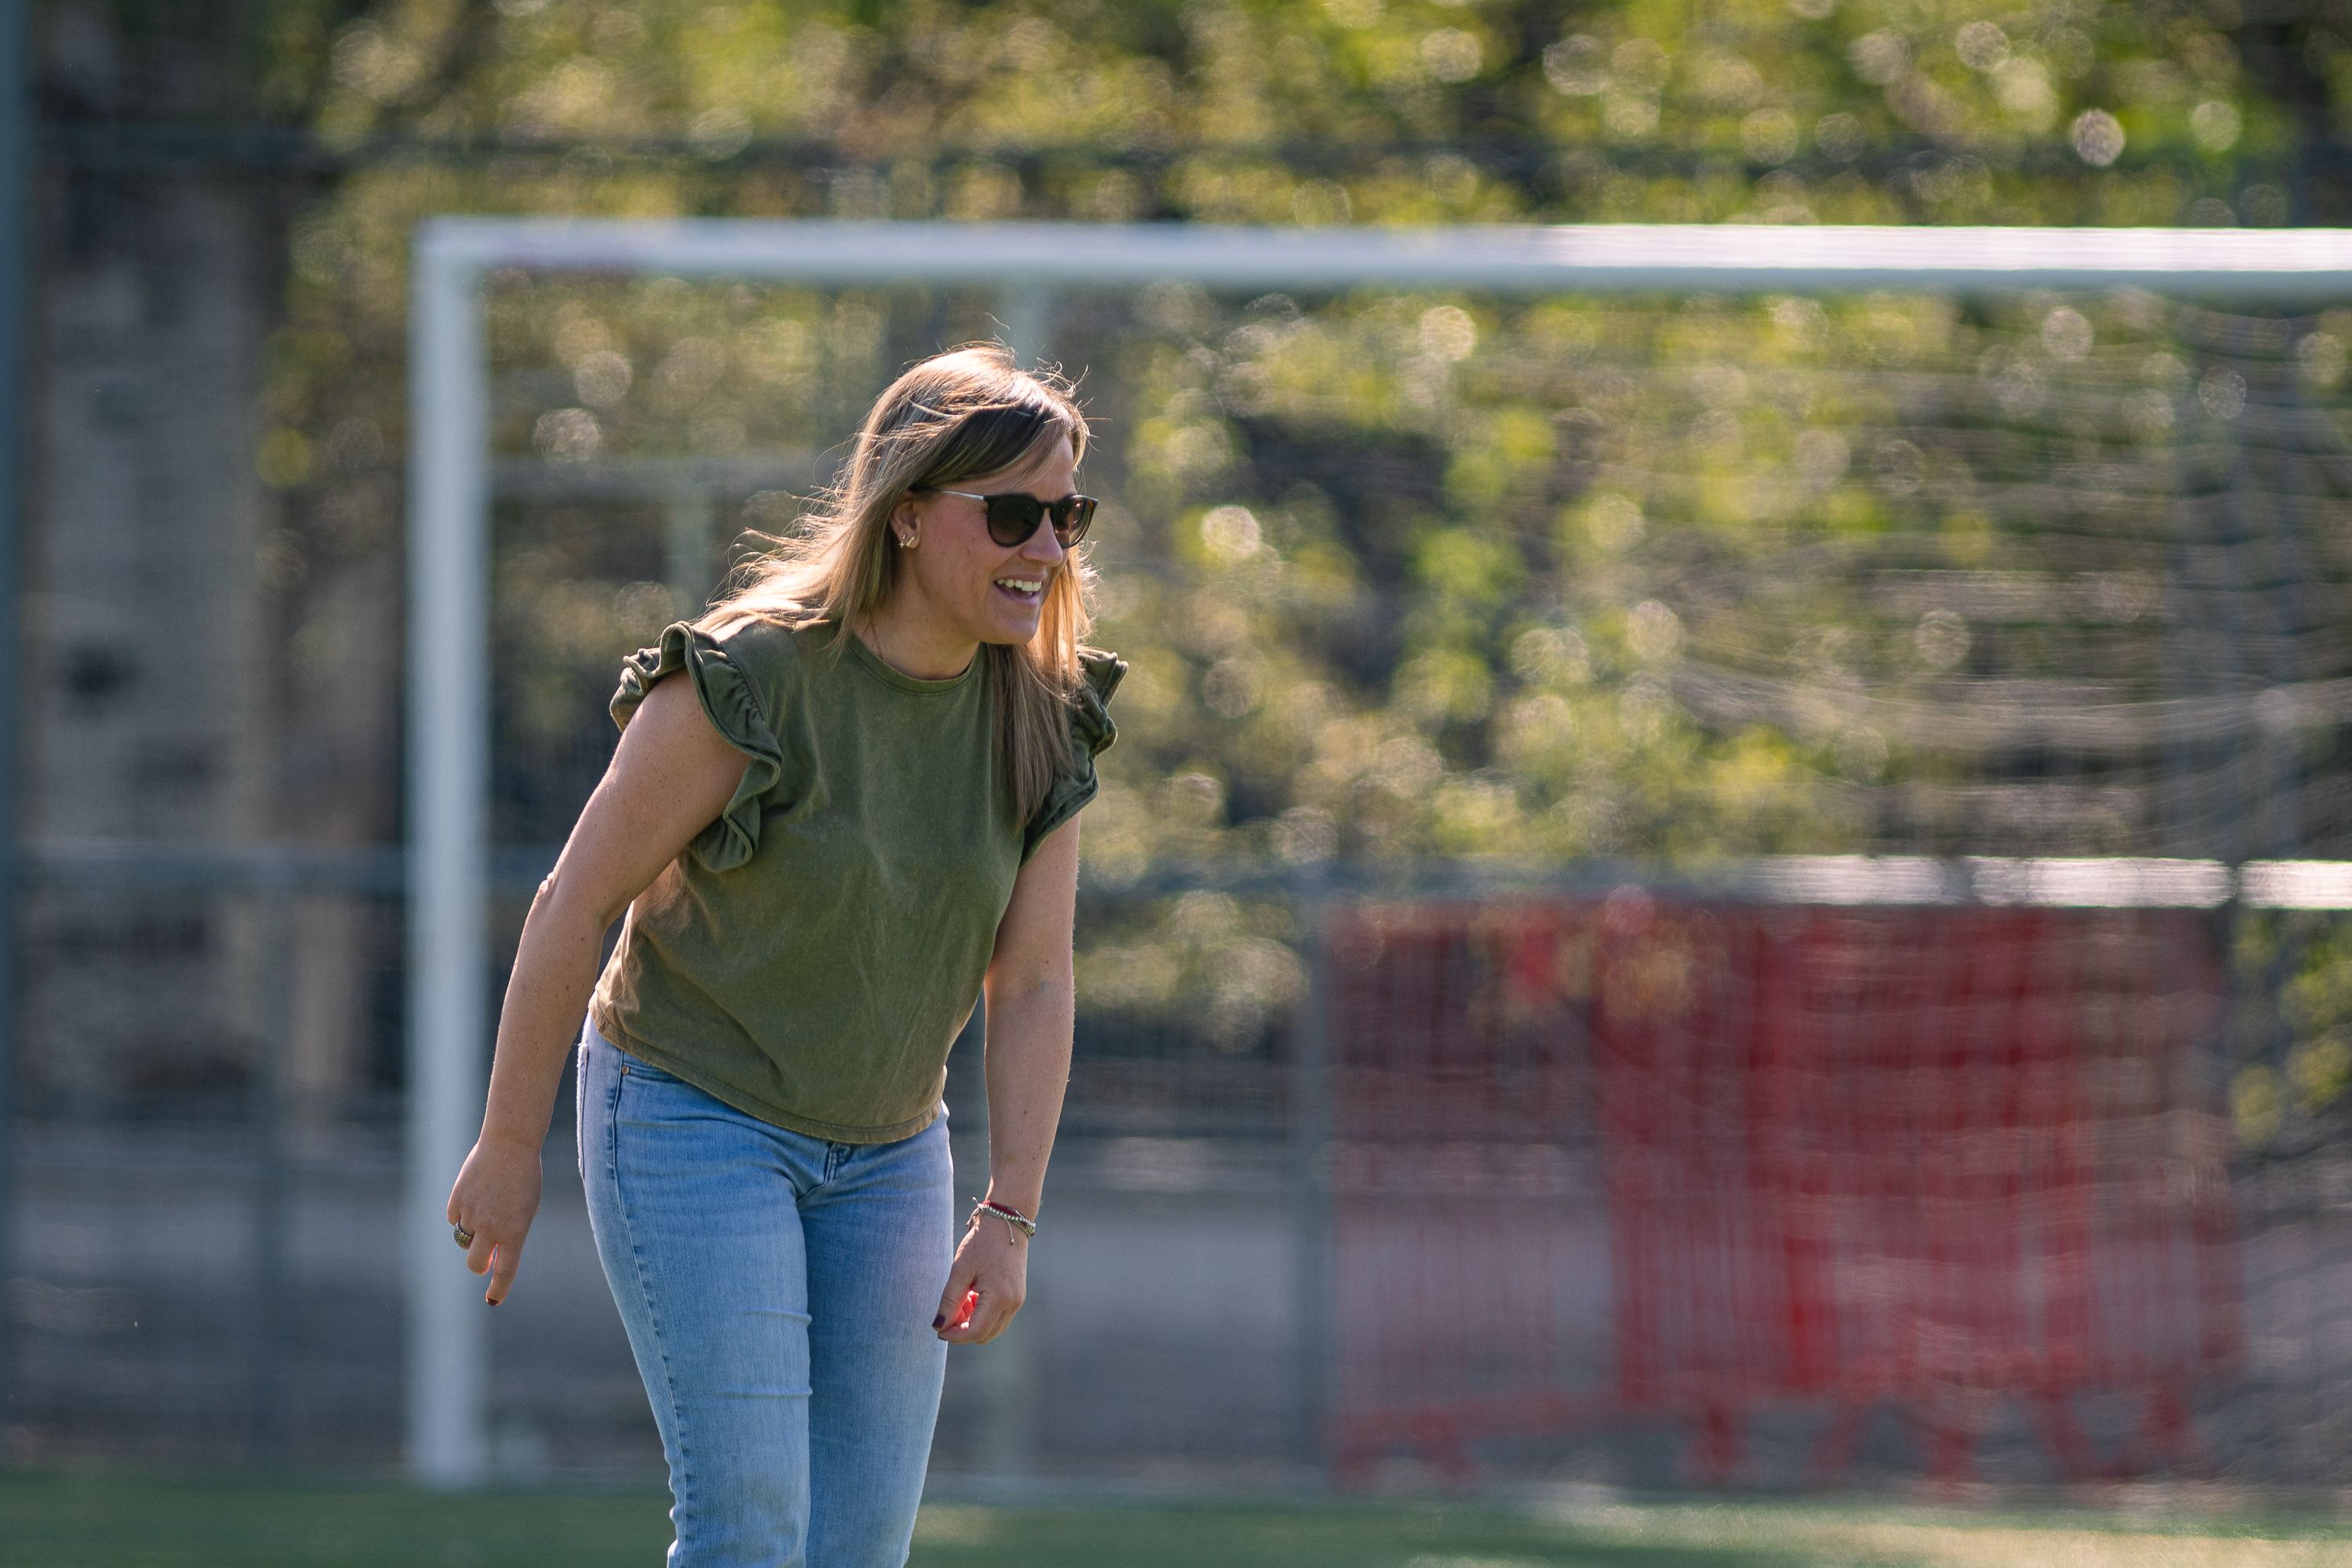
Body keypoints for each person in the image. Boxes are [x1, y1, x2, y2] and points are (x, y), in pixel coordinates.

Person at [442, 343, 1122, 1566]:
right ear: (908, 515)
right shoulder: (754, 675)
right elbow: (573, 902)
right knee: (751, 1524)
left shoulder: (1045, 713)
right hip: (692, 1116)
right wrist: (506, 1144)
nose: (1049, 549)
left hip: (891, 1151)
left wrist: (1009, 1213)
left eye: (1066, 514)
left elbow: (1032, 980)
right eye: (1014, 514)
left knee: (858, 1547)